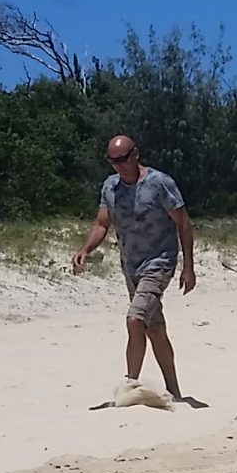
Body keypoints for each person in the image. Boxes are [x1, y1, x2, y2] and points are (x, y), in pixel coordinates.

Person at [72, 134, 197, 402]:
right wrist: (85, 249)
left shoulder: (159, 183)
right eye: (113, 161)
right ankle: (175, 392)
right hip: (131, 266)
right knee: (154, 328)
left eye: (123, 159)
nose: (118, 165)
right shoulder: (110, 187)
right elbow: (102, 223)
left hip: (159, 262)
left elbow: (184, 223)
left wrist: (188, 266)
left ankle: (130, 389)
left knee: (135, 320)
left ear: (135, 154)